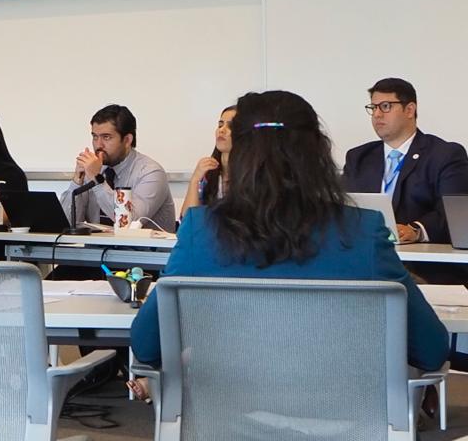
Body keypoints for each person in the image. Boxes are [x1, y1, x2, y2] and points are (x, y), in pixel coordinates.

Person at [131, 90, 449, 375]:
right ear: (318, 153)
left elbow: (145, 346)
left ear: (239, 155)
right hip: (347, 424)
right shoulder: (364, 232)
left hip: (229, 423)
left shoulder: (199, 231)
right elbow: (432, 350)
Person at [344, 77, 468, 244]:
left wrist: (416, 230)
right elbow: (344, 208)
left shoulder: (445, 155)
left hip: (422, 263)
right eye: (373, 107)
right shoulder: (358, 157)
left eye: (386, 106)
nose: (377, 114)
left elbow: (454, 213)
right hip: (369, 256)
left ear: (409, 110)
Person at [58, 104, 174, 232]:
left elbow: (128, 222)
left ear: (127, 140)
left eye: (106, 137)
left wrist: (97, 180)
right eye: (95, 137)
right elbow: (65, 226)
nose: (98, 145)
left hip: (140, 251)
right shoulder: (94, 169)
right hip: (97, 250)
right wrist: (77, 181)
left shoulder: (151, 172)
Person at [180, 105, 237, 218]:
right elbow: (187, 222)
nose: (222, 130)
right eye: (220, 125)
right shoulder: (208, 172)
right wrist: (195, 180)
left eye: (230, 126)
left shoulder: (253, 176)